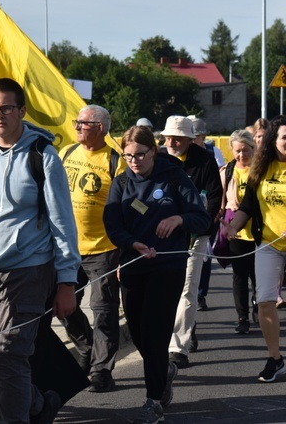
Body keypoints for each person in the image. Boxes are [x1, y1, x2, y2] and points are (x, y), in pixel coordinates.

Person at [0, 77, 81, 424]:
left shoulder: (43, 157)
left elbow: (63, 223)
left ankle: (18, 416)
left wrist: (66, 281)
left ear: (21, 111)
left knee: (11, 355)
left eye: (6, 108)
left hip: (26, 270)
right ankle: (37, 403)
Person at [104, 125, 209, 424]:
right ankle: (163, 372)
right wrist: (130, 243)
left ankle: (153, 401)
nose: (134, 161)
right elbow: (112, 224)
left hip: (168, 265)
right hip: (134, 264)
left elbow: (201, 217)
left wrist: (178, 219)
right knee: (137, 331)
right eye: (127, 156)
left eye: (140, 154)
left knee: (155, 331)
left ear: (153, 151)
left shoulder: (174, 176)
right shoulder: (121, 182)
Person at [222, 115, 286, 383]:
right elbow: (247, 206)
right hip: (268, 244)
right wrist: (233, 227)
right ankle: (275, 358)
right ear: (272, 141)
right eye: (284, 137)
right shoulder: (260, 168)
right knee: (265, 301)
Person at [59, 104, 125, 392]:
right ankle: (86, 345)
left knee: (104, 311)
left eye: (82, 123)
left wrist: (125, 252)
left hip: (103, 249)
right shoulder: (67, 153)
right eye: (76, 122)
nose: (76, 127)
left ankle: (101, 370)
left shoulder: (116, 161)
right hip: (67, 250)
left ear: (99, 128)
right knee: (63, 306)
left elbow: (126, 209)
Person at [159, 115, 222, 369]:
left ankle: (179, 346)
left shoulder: (204, 160)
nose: (172, 142)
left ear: (189, 139)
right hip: (163, 235)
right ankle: (163, 337)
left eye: (177, 138)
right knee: (164, 289)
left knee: (187, 288)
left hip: (195, 234)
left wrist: (199, 225)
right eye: (168, 137)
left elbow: (215, 197)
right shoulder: (159, 158)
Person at [219, 130, 258, 334]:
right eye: (237, 151)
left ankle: (259, 307)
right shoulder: (227, 171)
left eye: (245, 150)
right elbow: (220, 200)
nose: (241, 155)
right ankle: (242, 316)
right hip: (235, 230)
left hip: (259, 229)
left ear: (253, 148)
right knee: (240, 275)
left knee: (258, 275)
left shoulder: (261, 170)